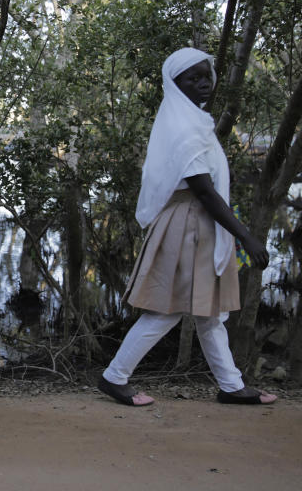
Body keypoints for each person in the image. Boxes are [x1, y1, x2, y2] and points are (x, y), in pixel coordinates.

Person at [97, 47, 276, 407]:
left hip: (200, 224)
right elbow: (205, 192)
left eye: (205, 74)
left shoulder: (193, 120)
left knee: (209, 313)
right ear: (175, 84)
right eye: (191, 78)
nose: (203, 83)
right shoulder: (182, 125)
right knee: (168, 311)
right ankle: (114, 377)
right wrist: (246, 239)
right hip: (188, 224)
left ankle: (231, 386)